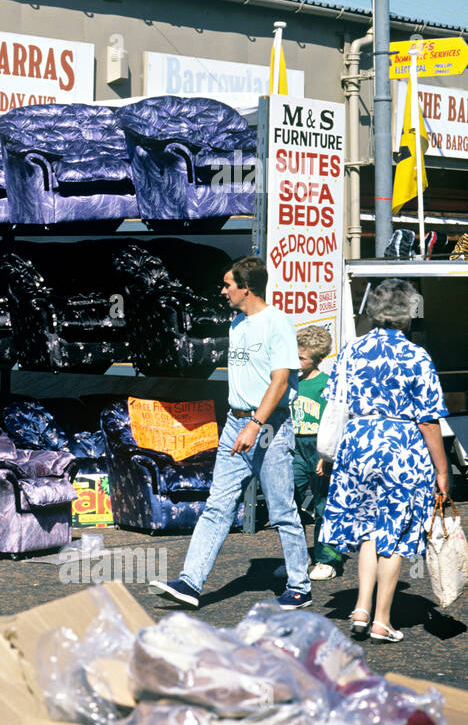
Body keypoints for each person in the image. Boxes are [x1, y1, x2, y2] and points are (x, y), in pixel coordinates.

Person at [149, 255, 313, 610]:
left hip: (268, 425)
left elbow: (281, 381)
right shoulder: (236, 324)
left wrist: (256, 425)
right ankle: (191, 582)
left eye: (228, 285)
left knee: (282, 508)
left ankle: (300, 585)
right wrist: (242, 423)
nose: (223, 291)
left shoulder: (278, 324)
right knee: (217, 506)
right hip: (236, 422)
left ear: (246, 288)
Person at [317, 279, 449, 643]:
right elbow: (427, 419)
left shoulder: (351, 350)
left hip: (358, 443)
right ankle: (381, 620)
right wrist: (442, 469)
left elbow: (335, 402)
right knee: (392, 532)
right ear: (407, 313)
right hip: (400, 447)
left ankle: (360, 608)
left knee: (367, 531)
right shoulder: (416, 356)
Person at [293, 325, 346, 581]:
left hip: (319, 446)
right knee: (290, 503)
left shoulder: (326, 384)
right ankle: (297, 559)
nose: (296, 361)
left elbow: (335, 423)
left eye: (302, 357)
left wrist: (327, 455)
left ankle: (327, 559)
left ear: (317, 359)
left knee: (324, 503)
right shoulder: (289, 382)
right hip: (294, 446)